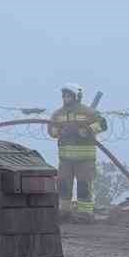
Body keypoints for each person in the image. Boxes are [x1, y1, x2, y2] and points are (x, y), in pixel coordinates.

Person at [48, 84, 107, 216]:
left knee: (83, 185)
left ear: (76, 96)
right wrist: (58, 131)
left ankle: (85, 213)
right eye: (64, 96)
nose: (65, 98)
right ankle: (64, 211)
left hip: (85, 159)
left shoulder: (88, 112)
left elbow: (102, 124)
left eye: (68, 95)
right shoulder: (58, 114)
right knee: (63, 184)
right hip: (65, 159)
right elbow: (51, 130)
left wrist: (86, 130)